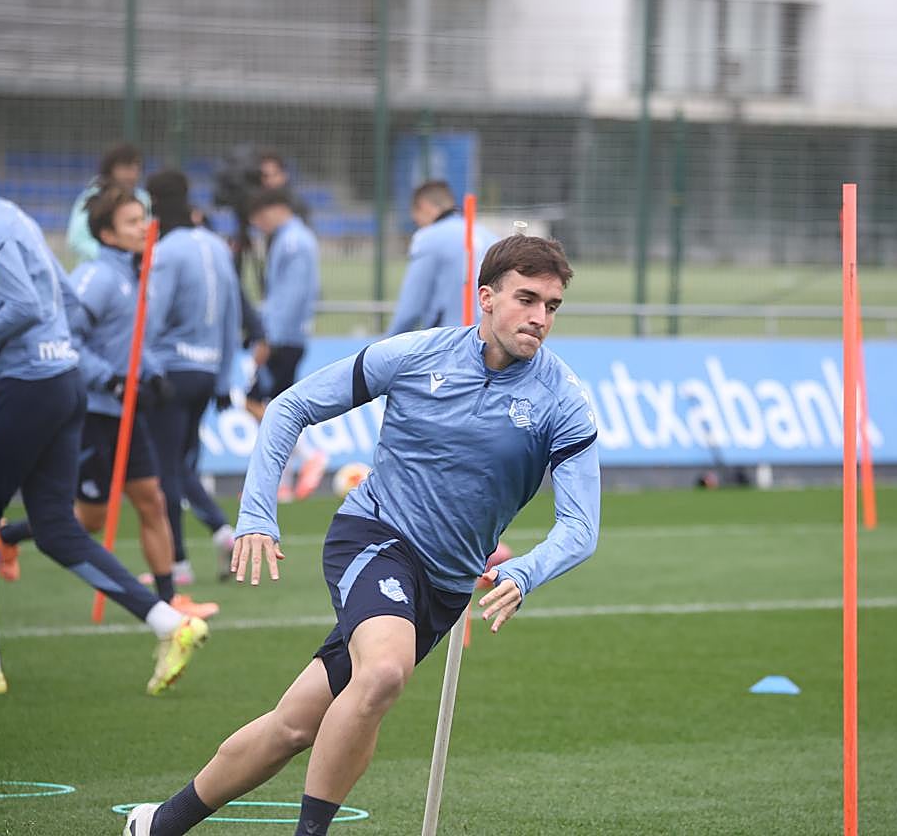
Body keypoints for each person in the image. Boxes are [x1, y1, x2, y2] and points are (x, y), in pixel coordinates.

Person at [122, 234, 601, 836]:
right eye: (526, 298)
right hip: (375, 537)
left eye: (551, 306)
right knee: (382, 673)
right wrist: (256, 514)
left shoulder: (563, 400)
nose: (539, 317)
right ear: (484, 297)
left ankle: (159, 825)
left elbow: (582, 526)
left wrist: (526, 571)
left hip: (444, 589)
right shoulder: (415, 355)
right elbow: (287, 408)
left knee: (294, 725)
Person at [0, 136, 207, 696]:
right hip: (64, 384)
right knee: (57, 527)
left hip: (33, 384)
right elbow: (61, 303)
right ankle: (170, 622)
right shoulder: (15, 219)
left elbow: (28, 306)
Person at [0, 185, 218, 621]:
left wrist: (152, 375)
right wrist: (110, 381)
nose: (144, 228)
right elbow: (66, 340)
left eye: (145, 218)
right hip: (95, 413)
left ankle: (170, 598)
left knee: (151, 501)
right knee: (90, 521)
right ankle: (7, 536)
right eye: (133, 222)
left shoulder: (137, 276)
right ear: (107, 234)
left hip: (127, 414)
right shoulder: (96, 278)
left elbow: (133, 344)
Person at [144, 169, 242, 582]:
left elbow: (151, 316)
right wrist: (224, 378)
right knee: (181, 463)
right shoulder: (217, 247)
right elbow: (232, 312)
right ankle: (222, 531)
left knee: (163, 469)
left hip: (170, 371)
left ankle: (178, 563)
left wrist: (145, 368)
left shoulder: (167, 250)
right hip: (206, 371)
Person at [244, 186, 327, 502]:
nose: (260, 228)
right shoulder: (299, 238)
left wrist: (268, 338)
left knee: (255, 403)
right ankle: (284, 483)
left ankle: (309, 457)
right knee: (280, 405)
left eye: (259, 220)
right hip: (291, 336)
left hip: (283, 339)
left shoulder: (291, 241)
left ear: (271, 210)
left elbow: (288, 297)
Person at [387, 180, 498, 336]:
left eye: (415, 214)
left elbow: (410, 309)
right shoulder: (490, 237)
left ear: (424, 206)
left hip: (449, 342)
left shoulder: (428, 238)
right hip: (489, 339)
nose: (415, 220)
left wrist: (385, 346)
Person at [66, 142, 151, 264]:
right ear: (111, 168)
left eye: (136, 168)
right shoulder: (94, 198)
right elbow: (77, 240)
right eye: (126, 168)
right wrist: (113, 258)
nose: (132, 174)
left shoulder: (143, 198)